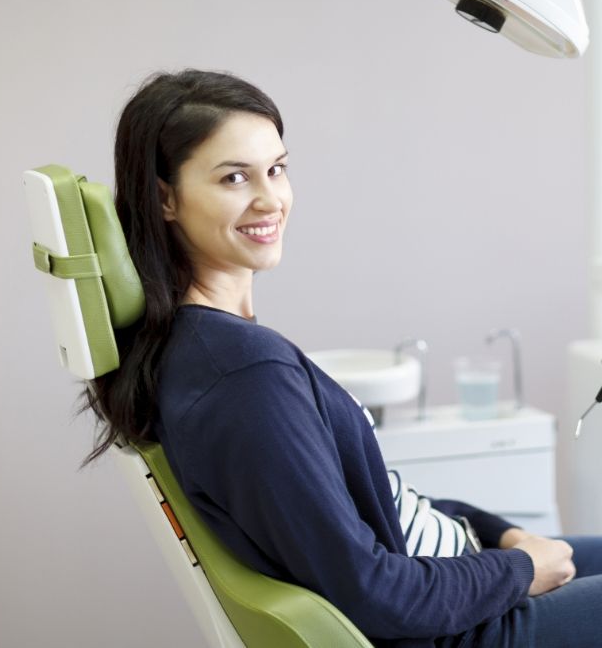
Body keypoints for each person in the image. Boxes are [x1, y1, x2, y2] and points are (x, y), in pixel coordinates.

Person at [85, 68, 602, 647]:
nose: (270, 199)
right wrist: (524, 570)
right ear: (165, 198)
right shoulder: (242, 379)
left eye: (277, 169)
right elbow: (374, 594)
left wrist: (502, 536)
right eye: (234, 178)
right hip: (460, 627)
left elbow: (383, 501)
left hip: (460, 573)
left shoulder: (212, 351)